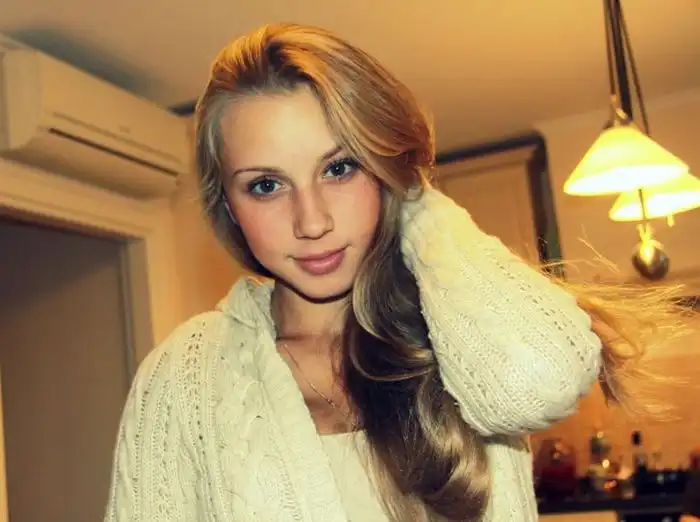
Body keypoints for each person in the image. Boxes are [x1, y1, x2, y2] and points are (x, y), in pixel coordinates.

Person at [103, 23, 680, 522]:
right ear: (229, 205)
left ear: (386, 169)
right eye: (267, 185)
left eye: (340, 168)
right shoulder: (184, 377)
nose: (312, 221)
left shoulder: (460, 332)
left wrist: (414, 199)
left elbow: (538, 381)